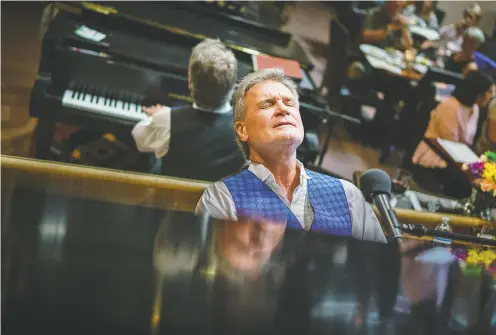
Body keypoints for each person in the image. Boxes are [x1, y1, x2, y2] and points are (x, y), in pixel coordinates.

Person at [196, 68, 386, 243]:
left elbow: (379, 269)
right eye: (267, 104)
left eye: (289, 103)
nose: (282, 109)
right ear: (242, 130)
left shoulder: (347, 194)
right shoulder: (222, 200)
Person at [132, 38, 246, 182]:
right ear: (233, 87)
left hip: (174, 196)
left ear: (190, 83)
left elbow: (139, 139)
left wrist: (157, 115)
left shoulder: (165, 120)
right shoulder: (247, 130)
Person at [410, 71, 494, 197]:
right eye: (489, 92)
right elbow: (447, 144)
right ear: (477, 92)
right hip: (437, 154)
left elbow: (465, 143)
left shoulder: (474, 109)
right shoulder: (451, 106)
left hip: (457, 156)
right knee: (466, 185)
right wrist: (468, 168)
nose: (491, 96)